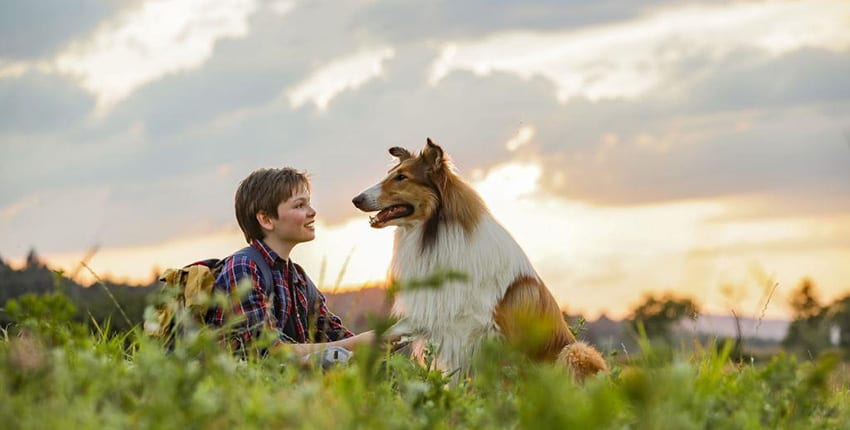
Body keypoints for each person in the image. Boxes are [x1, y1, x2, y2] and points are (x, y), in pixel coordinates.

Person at [206, 167, 377, 359]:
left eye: (309, 203)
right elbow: (270, 351)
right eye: (299, 206)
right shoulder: (243, 268)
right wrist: (354, 344)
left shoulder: (298, 278)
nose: (312, 212)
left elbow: (334, 335)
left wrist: (385, 340)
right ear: (266, 219)